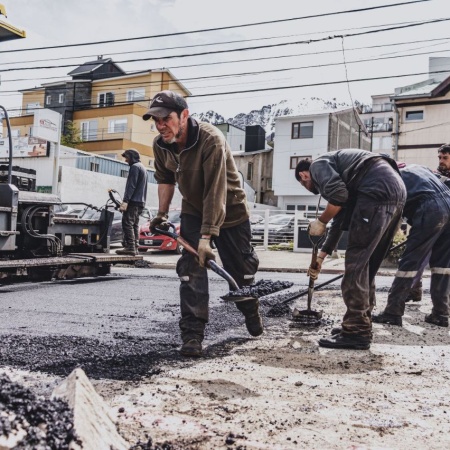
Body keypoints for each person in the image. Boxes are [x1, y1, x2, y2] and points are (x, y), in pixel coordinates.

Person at [143, 90, 260, 357]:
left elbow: (215, 192)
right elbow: (165, 180)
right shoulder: (161, 145)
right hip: (194, 210)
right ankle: (192, 335)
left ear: (184, 115)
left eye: (166, 119)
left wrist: (207, 237)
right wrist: (161, 214)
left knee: (240, 272)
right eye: (156, 121)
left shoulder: (211, 140)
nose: (161, 126)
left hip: (231, 212)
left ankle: (250, 309)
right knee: (191, 269)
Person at [295, 149, 406, 350]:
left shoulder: (317, 165)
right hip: (395, 191)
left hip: (376, 190)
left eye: (304, 183)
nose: (308, 187)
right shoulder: (343, 171)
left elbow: (337, 195)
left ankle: (356, 332)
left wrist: (320, 221)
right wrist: (321, 257)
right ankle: (361, 322)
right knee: (366, 264)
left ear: (303, 175)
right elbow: (339, 218)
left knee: (355, 265)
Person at [372, 164, 450, 327]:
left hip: (430, 209)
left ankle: (393, 312)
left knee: (410, 262)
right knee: (442, 266)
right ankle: (440, 313)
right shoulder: (420, 168)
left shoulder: (391, 179)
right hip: (448, 203)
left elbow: (391, 220)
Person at [405, 143, 450, 302]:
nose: (441, 161)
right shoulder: (435, 175)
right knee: (418, 259)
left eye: (445, 157)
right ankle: (413, 291)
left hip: (446, 228)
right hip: (429, 225)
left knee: (442, 266)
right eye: (439, 157)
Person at [116, 149, 148, 256]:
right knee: (134, 224)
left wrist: (125, 201)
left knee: (127, 223)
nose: (126, 160)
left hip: (133, 201)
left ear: (132, 157)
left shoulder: (135, 167)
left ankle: (130, 247)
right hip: (140, 202)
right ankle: (135, 247)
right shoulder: (143, 167)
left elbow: (131, 186)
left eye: (127, 158)